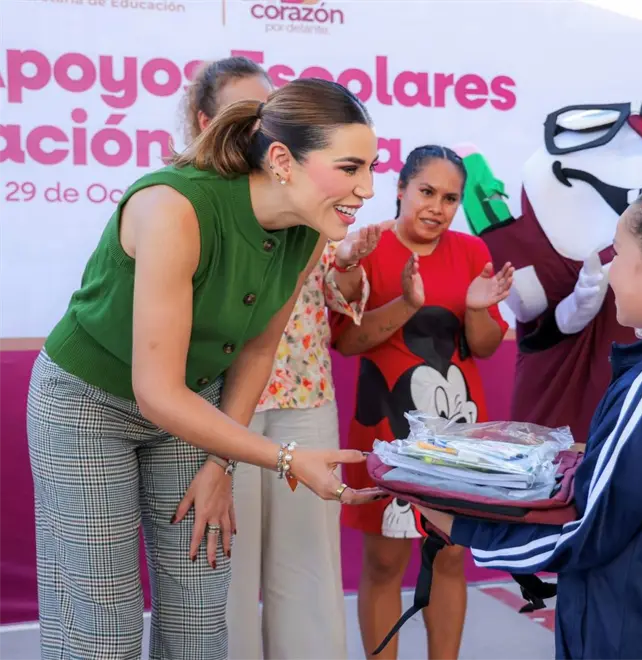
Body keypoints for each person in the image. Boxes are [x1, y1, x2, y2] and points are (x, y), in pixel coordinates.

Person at [26, 77, 384, 660]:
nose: (367, 188)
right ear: (281, 160)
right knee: (103, 622)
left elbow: (258, 351)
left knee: (199, 609)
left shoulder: (308, 231)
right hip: (87, 405)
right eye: (350, 168)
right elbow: (156, 392)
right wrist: (285, 457)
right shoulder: (173, 207)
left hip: (191, 405)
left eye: (371, 167)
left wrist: (221, 463)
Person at [417, 176, 642, 660]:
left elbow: (588, 534)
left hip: (636, 637)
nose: (609, 273)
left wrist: (457, 524)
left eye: (618, 253)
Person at [177, 56, 385, 660]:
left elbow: (333, 297)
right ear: (207, 121)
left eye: (268, 112)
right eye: (246, 113)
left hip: (304, 390)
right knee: (225, 560)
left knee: (308, 560)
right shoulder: (190, 203)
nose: (260, 125)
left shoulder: (315, 207)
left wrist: (348, 266)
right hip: (217, 403)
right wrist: (217, 450)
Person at [330, 145, 514, 660]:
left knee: (449, 558)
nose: (437, 207)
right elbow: (347, 341)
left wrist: (476, 310)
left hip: (459, 431)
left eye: (450, 198)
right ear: (400, 189)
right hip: (384, 428)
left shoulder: (471, 251)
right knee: (385, 563)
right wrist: (406, 304)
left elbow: (483, 347)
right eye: (427, 192)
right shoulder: (368, 245)